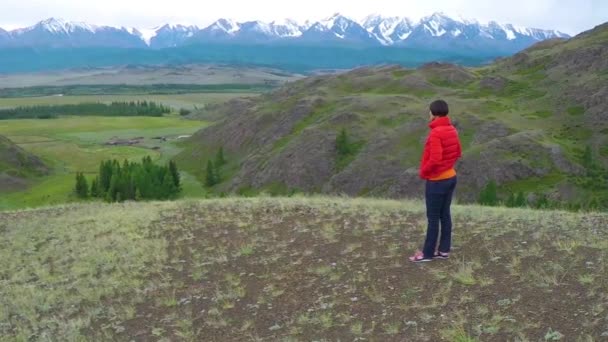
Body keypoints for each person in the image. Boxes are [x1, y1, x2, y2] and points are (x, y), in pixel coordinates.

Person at [409, 100, 462, 263]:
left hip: (437, 181)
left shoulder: (436, 133)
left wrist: (424, 172)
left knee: (433, 217)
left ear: (433, 113)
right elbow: (458, 152)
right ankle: (443, 251)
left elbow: (435, 159)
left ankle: (427, 254)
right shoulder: (452, 129)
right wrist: (447, 166)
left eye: (429, 112)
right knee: (444, 214)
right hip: (450, 177)